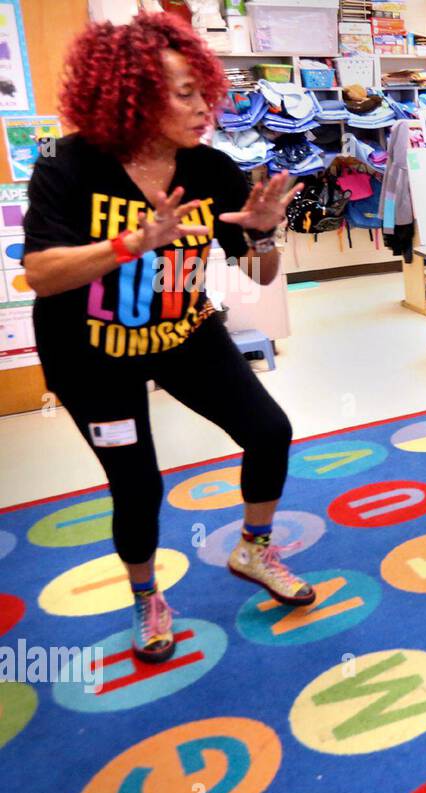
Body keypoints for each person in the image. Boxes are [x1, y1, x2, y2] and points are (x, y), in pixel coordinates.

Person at [23, 15, 312, 664]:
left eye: (201, 90)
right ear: (130, 92)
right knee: (138, 483)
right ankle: (147, 595)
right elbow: (41, 271)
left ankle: (254, 547)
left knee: (269, 429)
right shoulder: (67, 166)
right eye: (184, 93)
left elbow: (257, 274)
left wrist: (265, 234)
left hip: (184, 330)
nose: (203, 106)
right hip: (89, 351)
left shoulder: (210, 168)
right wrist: (136, 240)